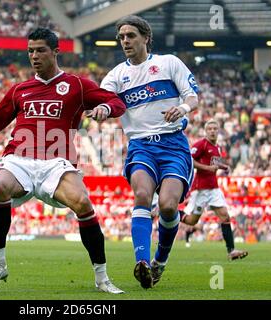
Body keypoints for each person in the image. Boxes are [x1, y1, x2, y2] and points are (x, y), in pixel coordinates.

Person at [0, 28, 126, 294]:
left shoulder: (77, 85)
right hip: (20, 159)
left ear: (55, 52)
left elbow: (115, 100)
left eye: (40, 50)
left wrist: (105, 108)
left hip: (57, 163)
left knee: (83, 203)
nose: (34, 56)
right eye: (30, 51)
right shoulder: (20, 90)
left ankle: (102, 277)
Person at [101, 15, 199, 289]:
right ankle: (142, 262)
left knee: (168, 206)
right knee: (142, 194)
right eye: (121, 37)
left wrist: (183, 108)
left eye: (130, 35)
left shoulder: (168, 63)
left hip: (173, 145)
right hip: (141, 146)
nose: (125, 41)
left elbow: (192, 96)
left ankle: (160, 261)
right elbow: (106, 100)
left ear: (146, 37)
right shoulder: (116, 75)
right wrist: (102, 109)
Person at [181, 119, 248, 260]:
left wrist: (224, 167)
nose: (212, 131)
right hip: (200, 189)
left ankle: (231, 251)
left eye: (215, 128)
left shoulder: (217, 147)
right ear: (206, 131)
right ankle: (169, 214)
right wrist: (207, 168)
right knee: (191, 221)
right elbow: (190, 160)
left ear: (218, 131)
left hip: (213, 188)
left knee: (225, 216)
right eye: (209, 129)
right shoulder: (201, 144)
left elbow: (214, 163)